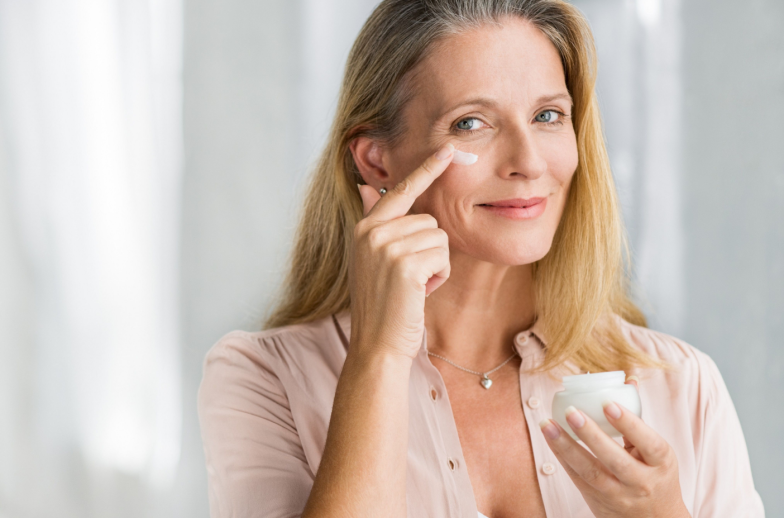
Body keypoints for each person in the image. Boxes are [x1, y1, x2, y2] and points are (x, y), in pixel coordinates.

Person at [197, 1, 765, 516]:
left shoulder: (682, 386)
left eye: (547, 116)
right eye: (472, 123)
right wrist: (379, 358)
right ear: (376, 161)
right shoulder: (266, 380)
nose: (527, 161)